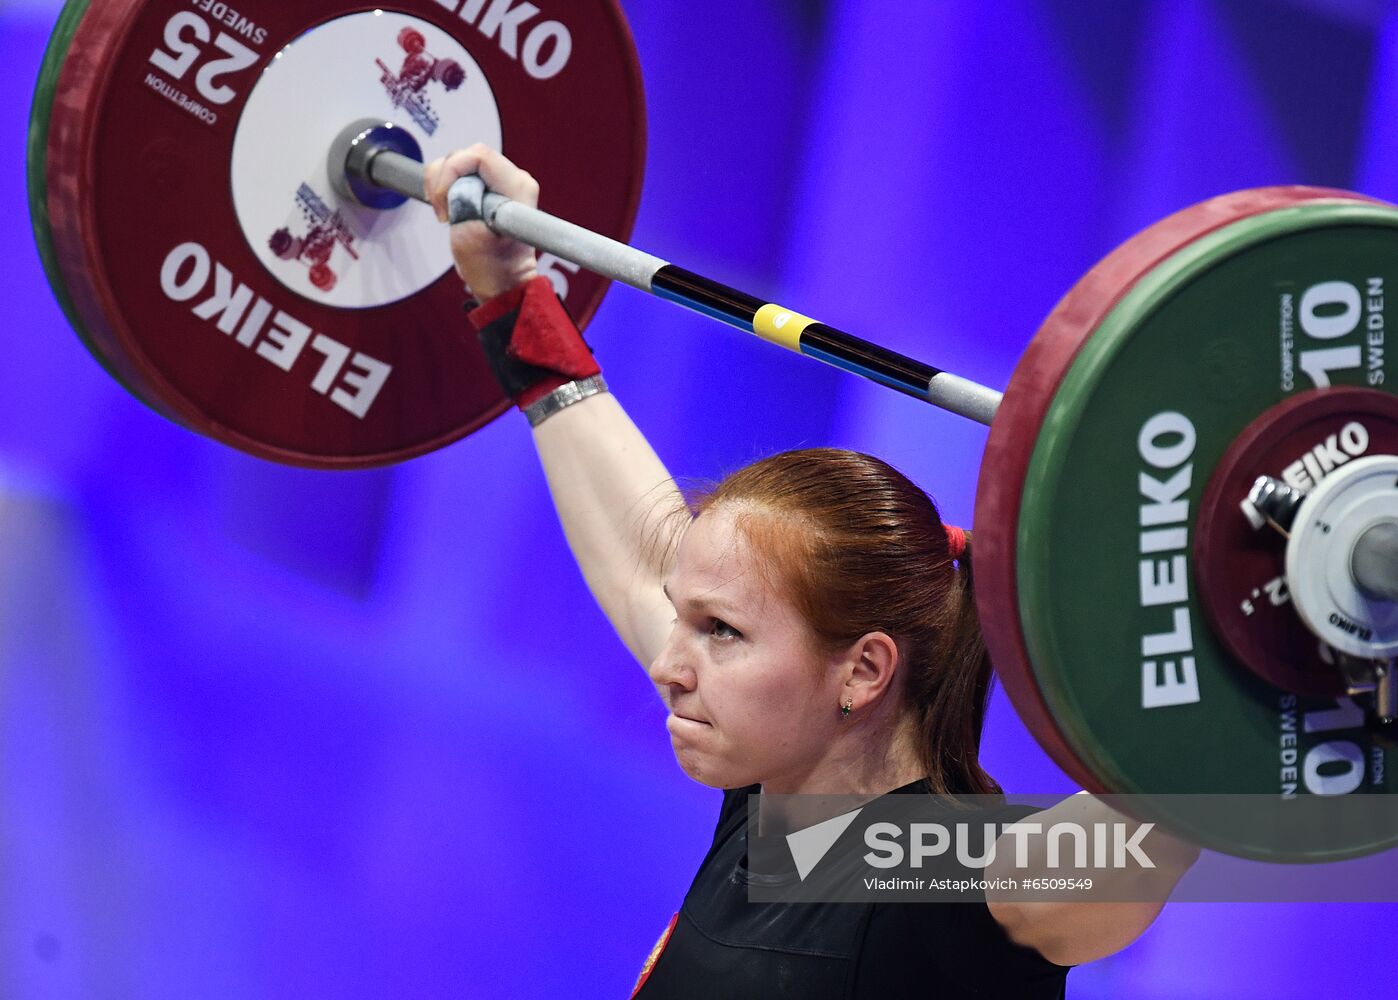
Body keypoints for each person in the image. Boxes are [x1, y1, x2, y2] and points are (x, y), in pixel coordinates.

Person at [424, 146, 1200, 998]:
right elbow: (639, 555)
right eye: (689, 621)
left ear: (863, 671)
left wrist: (1257, 638)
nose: (667, 665)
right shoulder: (773, 789)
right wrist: (512, 295)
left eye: (721, 632)